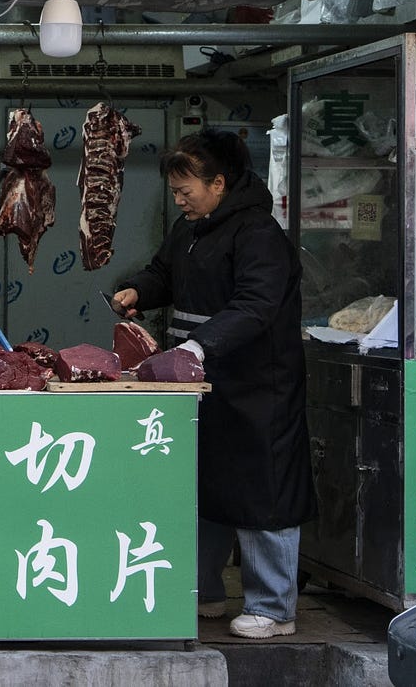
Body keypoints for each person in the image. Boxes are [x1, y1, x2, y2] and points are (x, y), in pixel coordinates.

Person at [111, 128, 315, 640]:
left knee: (261, 490)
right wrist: (138, 288)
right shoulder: (191, 228)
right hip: (199, 381)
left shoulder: (259, 236)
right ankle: (204, 591)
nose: (180, 200)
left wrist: (200, 345)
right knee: (202, 484)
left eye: (187, 190)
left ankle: (273, 607)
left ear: (220, 183)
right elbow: (166, 273)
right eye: (176, 192)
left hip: (255, 386)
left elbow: (255, 306)